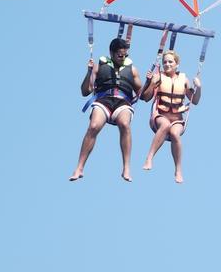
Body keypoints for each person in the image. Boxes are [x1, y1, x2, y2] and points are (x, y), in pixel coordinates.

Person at [70, 37, 142, 182]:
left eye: (125, 55)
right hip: (103, 101)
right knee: (93, 126)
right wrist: (89, 72)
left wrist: (152, 82)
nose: (123, 58)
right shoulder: (99, 66)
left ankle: (126, 168)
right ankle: (79, 167)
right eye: (120, 55)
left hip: (122, 103)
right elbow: (85, 91)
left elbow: (145, 95)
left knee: (125, 125)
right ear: (112, 53)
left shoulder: (132, 69)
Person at [141, 50, 201, 183]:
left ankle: (178, 170)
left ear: (177, 64)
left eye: (170, 62)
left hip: (177, 119)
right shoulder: (159, 77)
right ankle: (149, 158)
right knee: (165, 125)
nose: (167, 64)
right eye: (165, 62)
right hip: (160, 116)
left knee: (174, 133)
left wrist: (198, 87)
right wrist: (151, 83)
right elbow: (145, 97)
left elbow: (194, 100)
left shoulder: (184, 80)